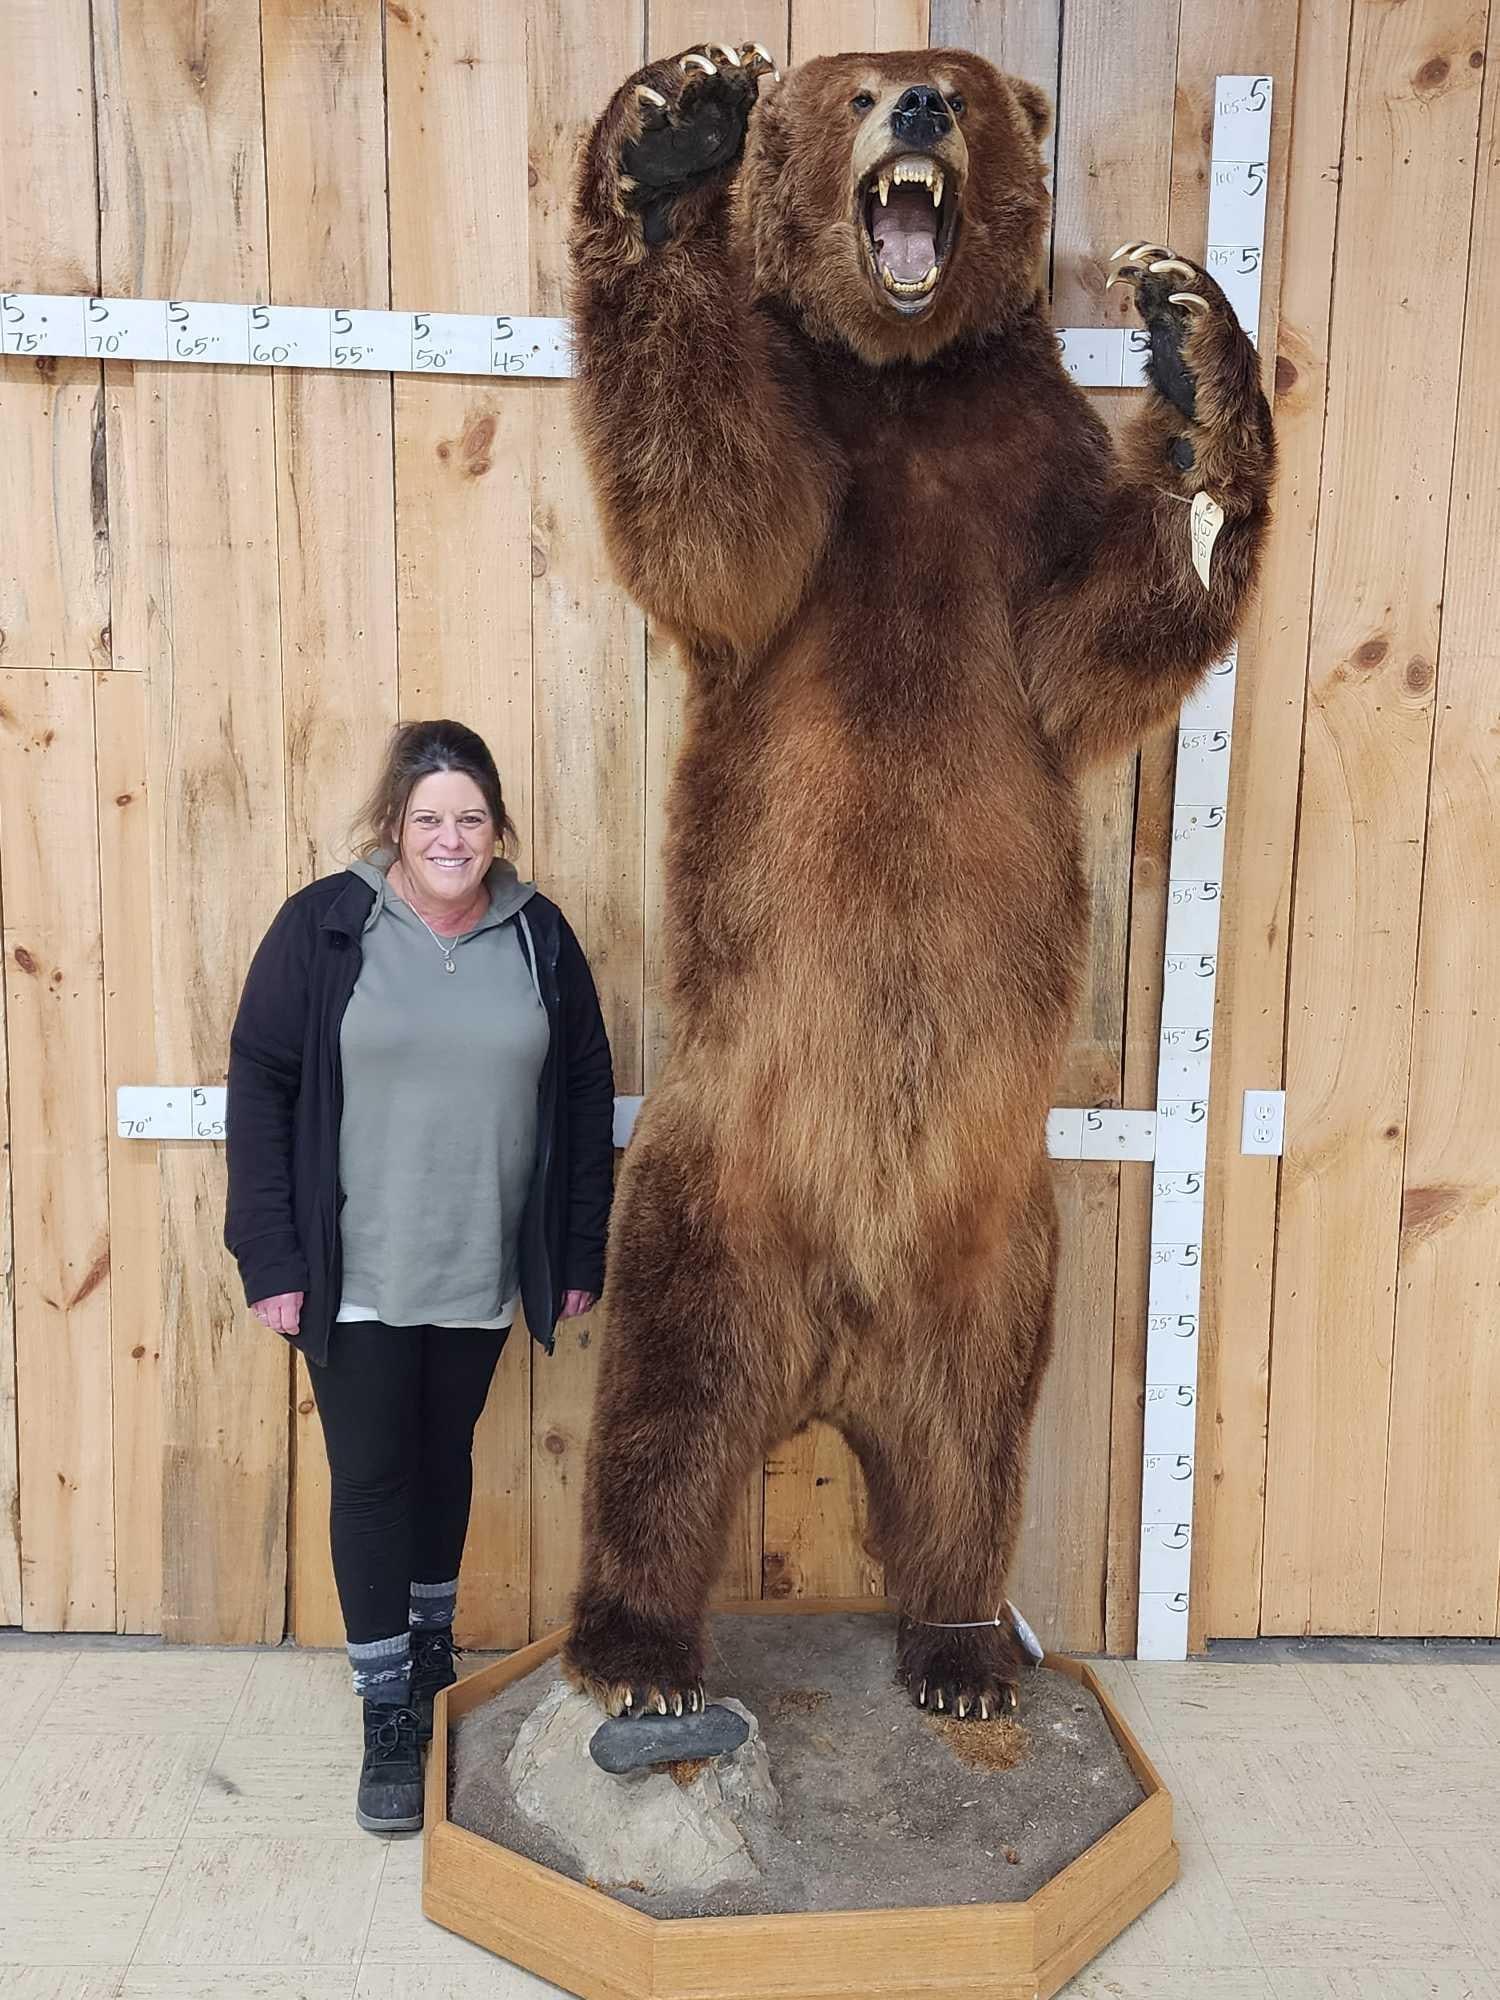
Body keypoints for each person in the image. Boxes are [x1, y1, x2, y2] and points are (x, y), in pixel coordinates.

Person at [225, 718, 615, 1834]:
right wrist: (272, 1254)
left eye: (471, 817)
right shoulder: (329, 924)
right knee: (375, 1475)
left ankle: (433, 1641)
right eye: (429, 817)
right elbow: (261, 1081)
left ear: (497, 828)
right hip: (355, 1266)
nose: (451, 836)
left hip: (482, 1258)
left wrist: (575, 1250)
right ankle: (388, 1701)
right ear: (395, 824)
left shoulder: (538, 935)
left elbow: (586, 1091)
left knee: (444, 1457)